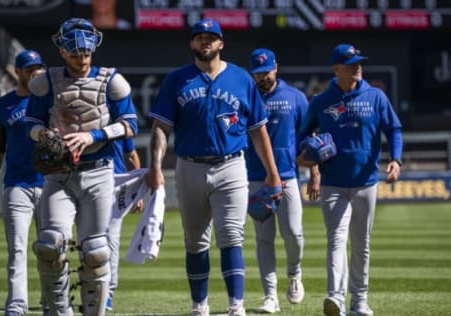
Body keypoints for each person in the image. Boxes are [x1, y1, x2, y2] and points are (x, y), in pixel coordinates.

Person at [145, 18, 282, 316]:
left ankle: (236, 306)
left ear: (221, 43)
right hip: (189, 166)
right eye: (199, 37)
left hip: (231, 165)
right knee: (195, 242)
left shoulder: (242, 78)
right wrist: (154, 166)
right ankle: (200, 306)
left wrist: (272, 172)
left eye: (211, 37)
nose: (205, 41)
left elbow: (258, 131)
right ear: (192, 43)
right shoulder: (177, 79)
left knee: (232, 236)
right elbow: (160, 128)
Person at [25, 18, 138, 316]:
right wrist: (45, 135)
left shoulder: (112, 81)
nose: (82, 60)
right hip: (58, 174)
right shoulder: (45, 81)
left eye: (86, 54)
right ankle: (59, 311)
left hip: (99, 170)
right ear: (62, 52)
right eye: (75, 55)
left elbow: (131, 124)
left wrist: (94, 135)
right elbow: (30, 123)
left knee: (97, 250)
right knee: (49, 245)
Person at [297, 44, 402, 316]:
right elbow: (301, 139)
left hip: (366, 181)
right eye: (351, 63)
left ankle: (359, 301)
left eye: (359, 62)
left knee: (361, 243)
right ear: (336, 68)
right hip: (333, 183)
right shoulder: (321, 101)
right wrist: (309, 157)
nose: (357, 66)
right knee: (336, 240)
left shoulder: (376, 96)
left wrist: (396, 159)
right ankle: (336, 298)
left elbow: (393, 129)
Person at [246, 48, 320, 313]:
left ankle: (294, 274)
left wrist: (314, 173)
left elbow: (308, 139)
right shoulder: (246, 96)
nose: (263, 77)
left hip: (288, 176)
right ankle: (270, 296)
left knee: (294, 233)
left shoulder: (296, 97)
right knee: (263, 238)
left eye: (266, 71)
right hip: (255, 177)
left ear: (276, 67)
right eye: (258, 73)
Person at [0, 50, 45, 316]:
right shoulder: (4, 104)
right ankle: (17, 306)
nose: (34, 71)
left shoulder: (48, 101)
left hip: (50, 184)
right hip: (17, 184)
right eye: (29, 68)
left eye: (38, 67)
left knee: (51, 248)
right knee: (17, 249)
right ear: (17, 72)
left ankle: (51, 302)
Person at [106, 139, 143, 311]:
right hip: (86, 182)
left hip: (116, 184)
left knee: (111, 238)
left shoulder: (119, 121)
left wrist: (137, 191)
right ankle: (94, 289)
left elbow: (132, 155)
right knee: (90, 238)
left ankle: (107, 292)